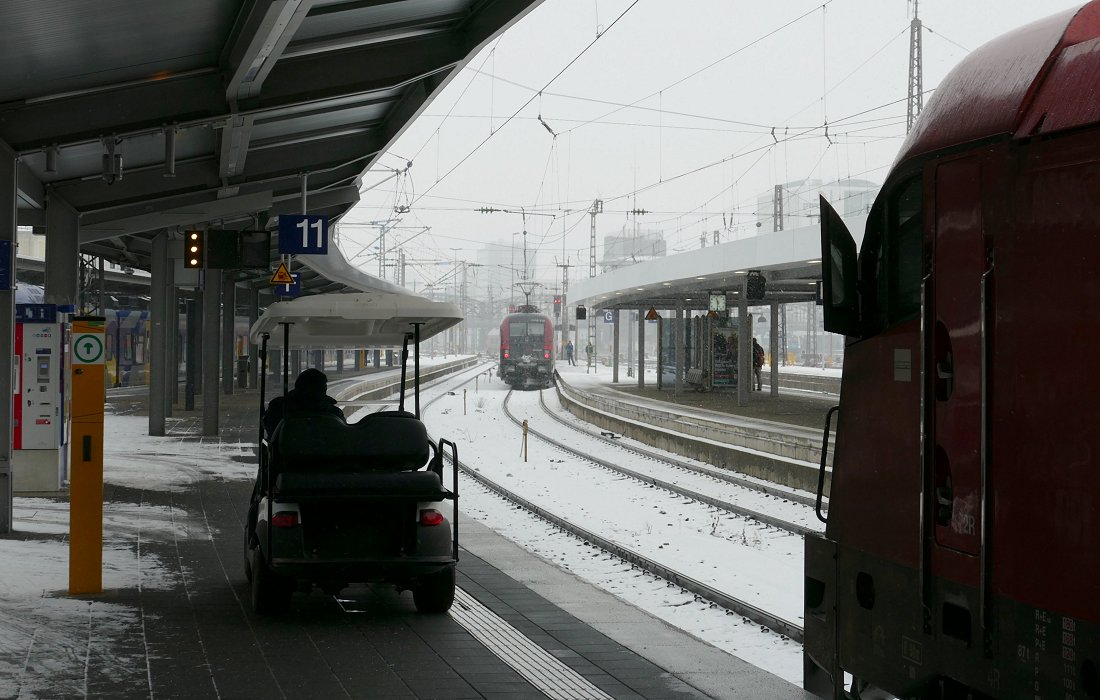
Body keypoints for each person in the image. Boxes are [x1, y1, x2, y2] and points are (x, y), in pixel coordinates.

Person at [262, 367, 345, 438]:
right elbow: (341, 434)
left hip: (284, 455)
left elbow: (269, 428)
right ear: (323, 390)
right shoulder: (333, 412)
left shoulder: (278, 406)